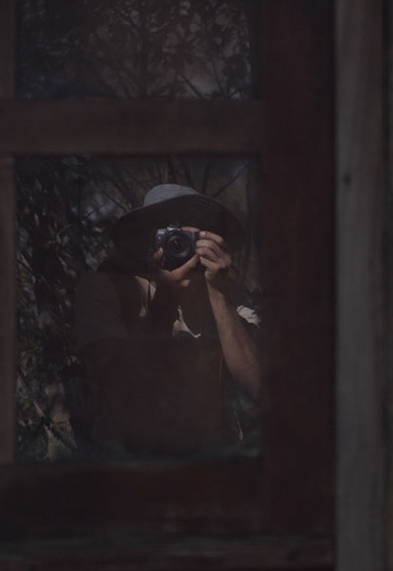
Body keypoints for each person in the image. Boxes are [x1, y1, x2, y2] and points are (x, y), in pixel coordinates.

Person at [69, 183, 260, 457]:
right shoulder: (104, 287)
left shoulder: (227, 295)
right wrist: (164, 301)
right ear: (147, 238)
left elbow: (257, 386)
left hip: (210, 457)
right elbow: (116, 388)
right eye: (167, 232)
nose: (177, 242)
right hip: (129, 459)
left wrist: (218, 293)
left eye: (188, 233)